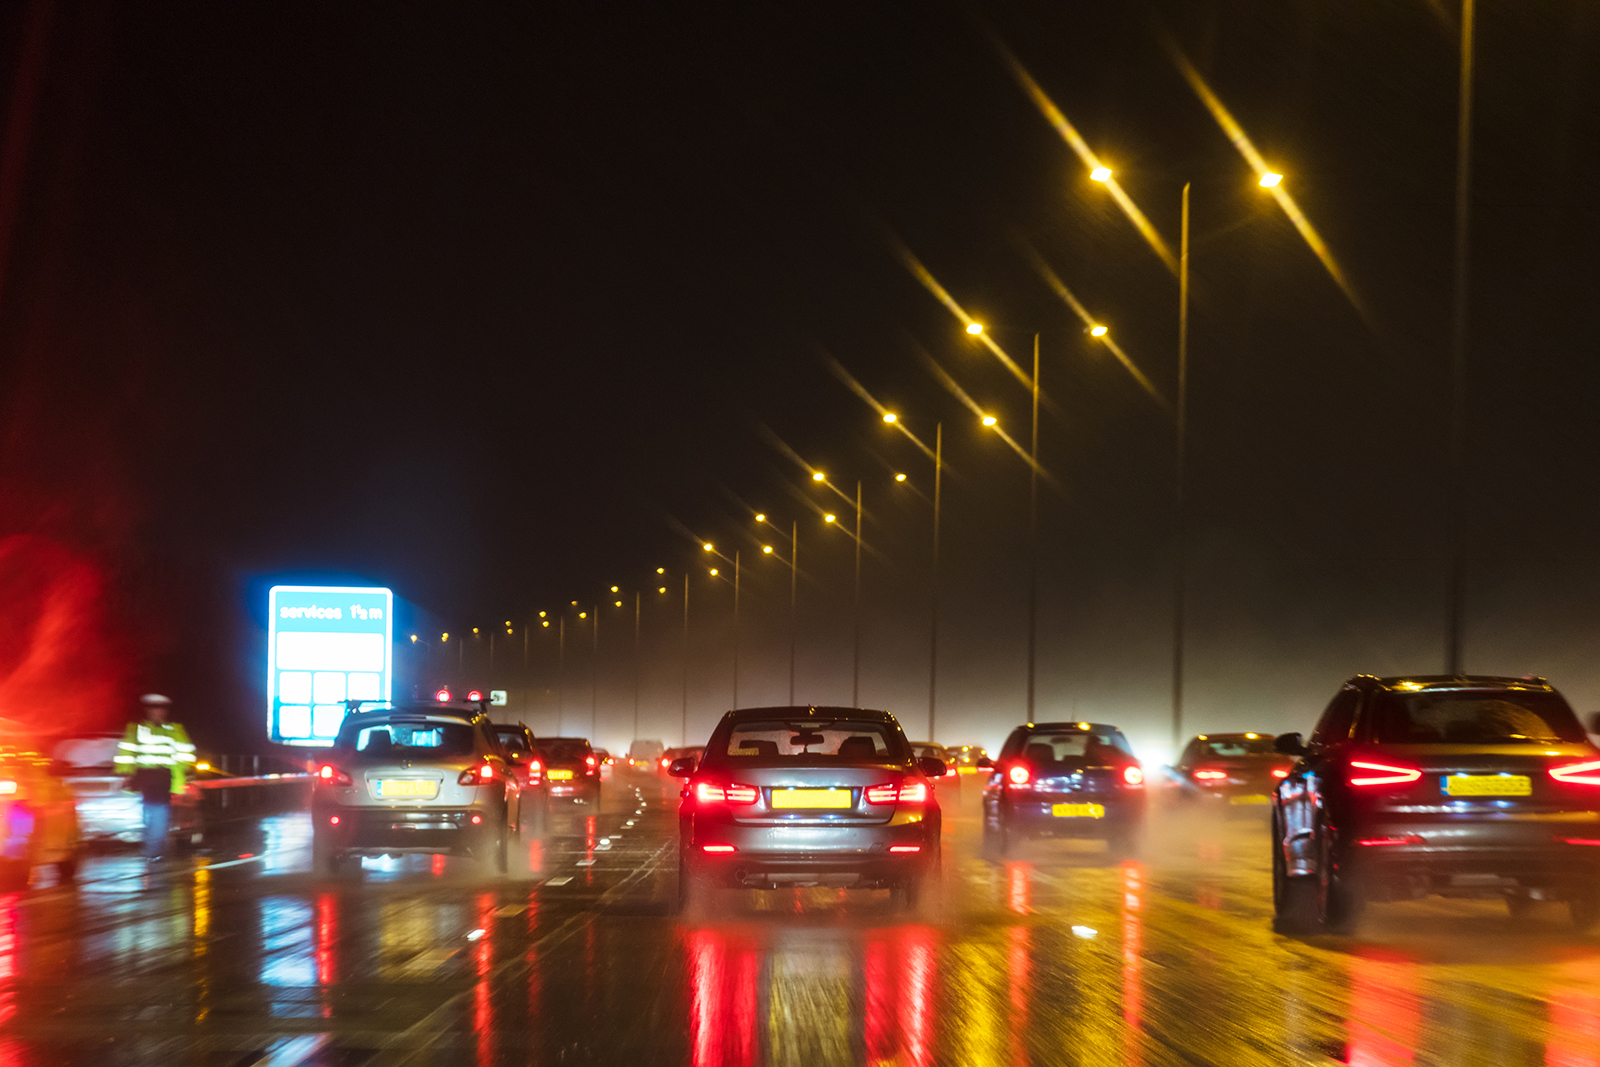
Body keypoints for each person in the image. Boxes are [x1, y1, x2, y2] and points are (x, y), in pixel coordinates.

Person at [113, 694, 197, 863]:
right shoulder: (136, 729)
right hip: (144, 780)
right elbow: (126, 753)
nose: (157, 712)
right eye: (153, 709)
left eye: (160, 709)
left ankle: (153, 850)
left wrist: (186, 775)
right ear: (147, 710)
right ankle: (153, 849)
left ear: (165, 711)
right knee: (151, 816)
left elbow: (185, 754)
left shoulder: (175, 730)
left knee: (158, 815)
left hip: (164, 779)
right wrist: (125, 774)